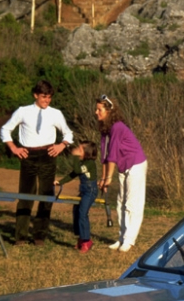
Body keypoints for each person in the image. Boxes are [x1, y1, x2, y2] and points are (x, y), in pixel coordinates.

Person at [0, 80, 73, 245]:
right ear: (36, 95)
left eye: (49, 97)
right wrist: (14, 148)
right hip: (28, 155)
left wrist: (61, 145)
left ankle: (39, 236)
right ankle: (21, 236)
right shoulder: (23, 111)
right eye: (44, 97)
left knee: (46, 197)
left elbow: (68, 134)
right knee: (25, 196)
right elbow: (5, 129)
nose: (47, 100)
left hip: (48, 154)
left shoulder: (55, 113)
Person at [94, 95, 147, 253]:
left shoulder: (117, 127)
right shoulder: (105, 129)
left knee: (132, 203)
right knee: (120, 202)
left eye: (99, 109)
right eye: (96, 109)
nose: (96, 112)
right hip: (124, 167)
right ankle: (122, 237)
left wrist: (109, 177)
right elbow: (104, 156)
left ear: (109, 111)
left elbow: (113, 154)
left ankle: (129, 240)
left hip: (136, 164)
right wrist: (103, 178)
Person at [55, 141, 99, 253]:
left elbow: (77, 170)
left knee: (83, 214)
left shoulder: (90, 163)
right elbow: (73, 174)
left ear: (87, 152)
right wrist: (61, 182)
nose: (77, 151)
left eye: (80, 150)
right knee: (76, 211)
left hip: (90, 191)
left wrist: (74, 156)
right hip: (84, 190)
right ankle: (80, 238)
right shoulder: (82, 163)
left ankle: (86, 241)